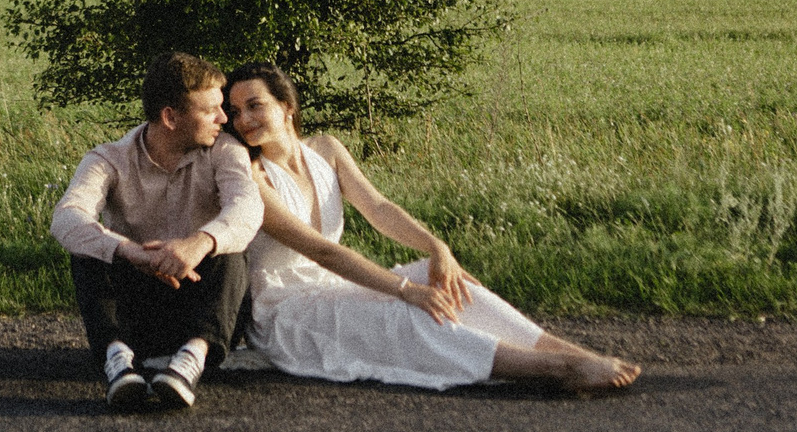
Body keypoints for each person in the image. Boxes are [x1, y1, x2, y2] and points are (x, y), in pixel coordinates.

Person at [225, 61, 638, 395]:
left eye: (254, 105)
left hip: (330, 287)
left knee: (442, 279)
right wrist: (405, 291)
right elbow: (322, 252)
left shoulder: (326, 149)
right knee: (407, 313)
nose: (244, 119)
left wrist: (438, 247)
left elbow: (380, 208)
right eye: (236, 111)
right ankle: (557, 368)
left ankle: (574, 352)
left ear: (287, 106)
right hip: (285, 310)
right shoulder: (252, 174)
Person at [51, 50, 264, 411]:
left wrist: (199, 244)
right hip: (136, 311)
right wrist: (129, 251)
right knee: (89, 250)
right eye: (210, 109)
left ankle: (188, 364)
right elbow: (67, 217)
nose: (223, 118)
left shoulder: (225, 151)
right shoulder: (108, 159)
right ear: (170, 116)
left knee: (231, 253)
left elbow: (247, 207)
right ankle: (119, 362)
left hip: (201, 306)